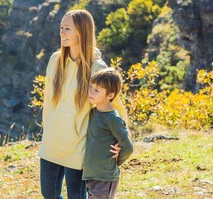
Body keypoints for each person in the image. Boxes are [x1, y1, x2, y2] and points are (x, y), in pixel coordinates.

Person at [38, 10, 129, 199]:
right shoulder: (55, 60)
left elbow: (116, 107)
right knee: (48, 194)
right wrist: (46, 127)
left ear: (82, 31)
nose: (62, 33)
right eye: (61, 28)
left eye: (67, 29)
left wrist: (120, 140)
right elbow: (48, 99)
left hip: (77, 147)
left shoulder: (97, 68)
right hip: (52, 143)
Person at [82, 68, 134, 199]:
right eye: (91, 87)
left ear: (110, 95)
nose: (90, 92)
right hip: (90, 175)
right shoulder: (92, 112)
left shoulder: (112, 118)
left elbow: (128, 147)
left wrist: (115, 162)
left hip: (105, 177)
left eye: (97, 90)